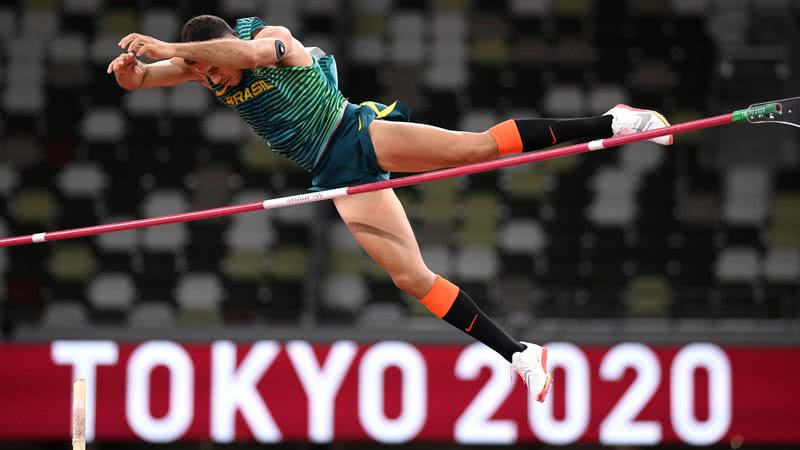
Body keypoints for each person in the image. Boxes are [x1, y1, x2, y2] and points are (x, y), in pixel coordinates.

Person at [107, 14, 673, 403]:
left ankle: (616, 122)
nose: (211, 80)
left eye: (211, 69)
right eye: (203, 76)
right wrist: (134, 75)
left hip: (355, 133)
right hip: (333, 175)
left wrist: (173, 52)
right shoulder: (205, 65)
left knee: (474, 147)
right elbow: (149, 80)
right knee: (411, 278)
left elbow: (242, 54)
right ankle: (519, 352)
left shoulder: (270, 43)